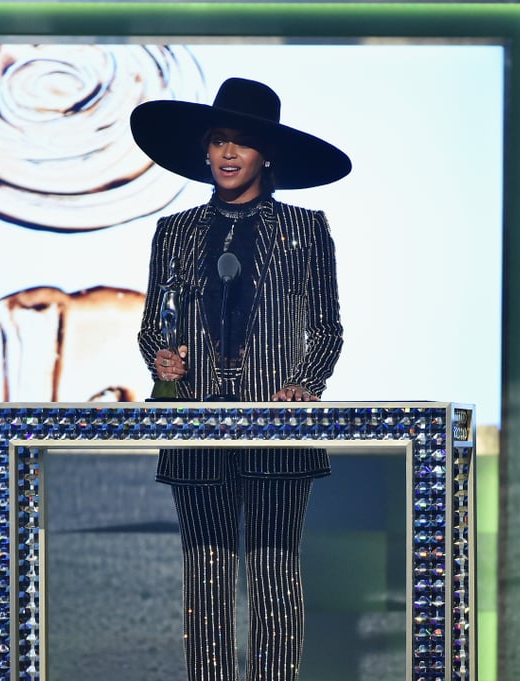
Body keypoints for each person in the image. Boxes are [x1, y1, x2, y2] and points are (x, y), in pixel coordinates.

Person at [130, 77, 351, 681]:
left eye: (243, 142)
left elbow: (327, 328)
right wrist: (162, 360)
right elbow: (153, 325)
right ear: (204, 151)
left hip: (276, 425)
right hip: (195, 424)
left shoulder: (306, 230)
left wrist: (304, 385)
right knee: (204, 575)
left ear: (267, 154)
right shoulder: (173, 232)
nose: (228, 154)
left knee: (275, 571)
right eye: (219, 141)